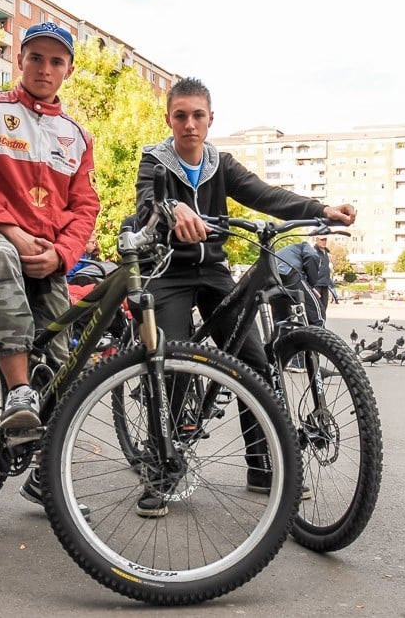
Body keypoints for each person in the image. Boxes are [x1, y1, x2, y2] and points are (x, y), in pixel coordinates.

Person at [133, 77, 356, 517]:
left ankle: (261, 466)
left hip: (212, 271)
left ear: (211, 119)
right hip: (168, 271)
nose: (190, 124)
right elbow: (147, 202)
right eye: (181, 115)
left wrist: (319, 209)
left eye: (198, 115)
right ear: (169, 119)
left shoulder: (222, 163)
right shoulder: (155, 161)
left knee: (254, 362)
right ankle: (161, 467)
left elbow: (266, 196)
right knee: (173, 363)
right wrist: (172, 209)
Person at [0, 19, 98, 466]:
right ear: (20, 59)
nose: (44, 68)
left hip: (45, 257)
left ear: (67, 69)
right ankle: (18, 393)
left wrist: (62, 254)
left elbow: (85, 208)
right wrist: (8, 228)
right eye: (36, 58)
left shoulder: (78, 136)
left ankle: (44, 472)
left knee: (63, 367)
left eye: (56, 61)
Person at [273, 240, 325, 327]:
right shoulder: (305, 245)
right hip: (288, 271)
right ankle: (320, 336)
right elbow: (312, 256)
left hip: (271, 277)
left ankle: (281, 337)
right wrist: (311, 286)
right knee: (316, 313)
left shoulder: (289, 250)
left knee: (282, 321)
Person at [311, 236, 334, 320]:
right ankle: (315, 329)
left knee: (323, 309)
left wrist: (330, 283)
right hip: (316, 285)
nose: (324, 241)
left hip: (325, 284)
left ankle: (322, 328)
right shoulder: (313, 252)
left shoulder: (326, 253)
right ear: (316, 240)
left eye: (325, 239)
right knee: (316, 309)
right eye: (322, 240)